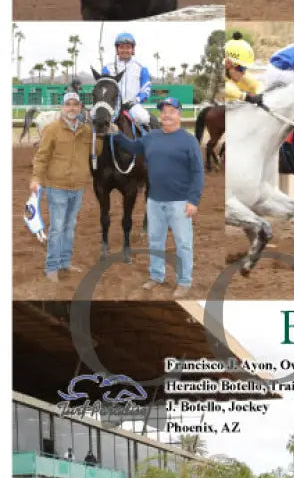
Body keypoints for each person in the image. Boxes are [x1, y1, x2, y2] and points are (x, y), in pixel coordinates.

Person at [110, 98, 204, 298]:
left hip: (180, 202)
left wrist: (193, 200)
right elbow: (132, 147)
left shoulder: (189, 141)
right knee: (155, 241)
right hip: (154, 201)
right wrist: (117, 134)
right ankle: (156, 275)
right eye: (164, 111)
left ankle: (184, 281)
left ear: (179, 114)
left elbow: (198, 172)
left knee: (183, 243)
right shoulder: (151, 137)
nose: (167, 115)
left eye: (171, 111)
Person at [29, 92, 96, 283]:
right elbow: (42, 156)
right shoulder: (51, 130)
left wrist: (102, 134)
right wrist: (36, 178)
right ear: (62, 107)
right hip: (57, 186)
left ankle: (65, 262)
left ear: (80, 107)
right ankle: (52, 267)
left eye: (75, 104)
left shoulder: (86, 131)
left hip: (78, 187)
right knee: (57, 228)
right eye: (68, 104)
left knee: (70, 226)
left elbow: (96, 151)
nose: (72, 108)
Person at [102, 33, 153, 132]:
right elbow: (103, 89)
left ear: (133, 49)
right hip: (112, 106)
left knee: (143, 118)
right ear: (117, 49)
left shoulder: (141, 68)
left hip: (133, 106)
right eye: (121, 47)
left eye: (128, 47)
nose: (125, 50)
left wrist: (136, 100)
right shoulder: (107, 68)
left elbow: (146, 90)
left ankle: (148, 138)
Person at [224, 34, 263, 103]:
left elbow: (258, 85)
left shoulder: (239, 74)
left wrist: (259, 94)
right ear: (228, 64)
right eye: (241, 68)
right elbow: (225, 88)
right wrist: (244, 96)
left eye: (245, 68)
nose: (243, 72)